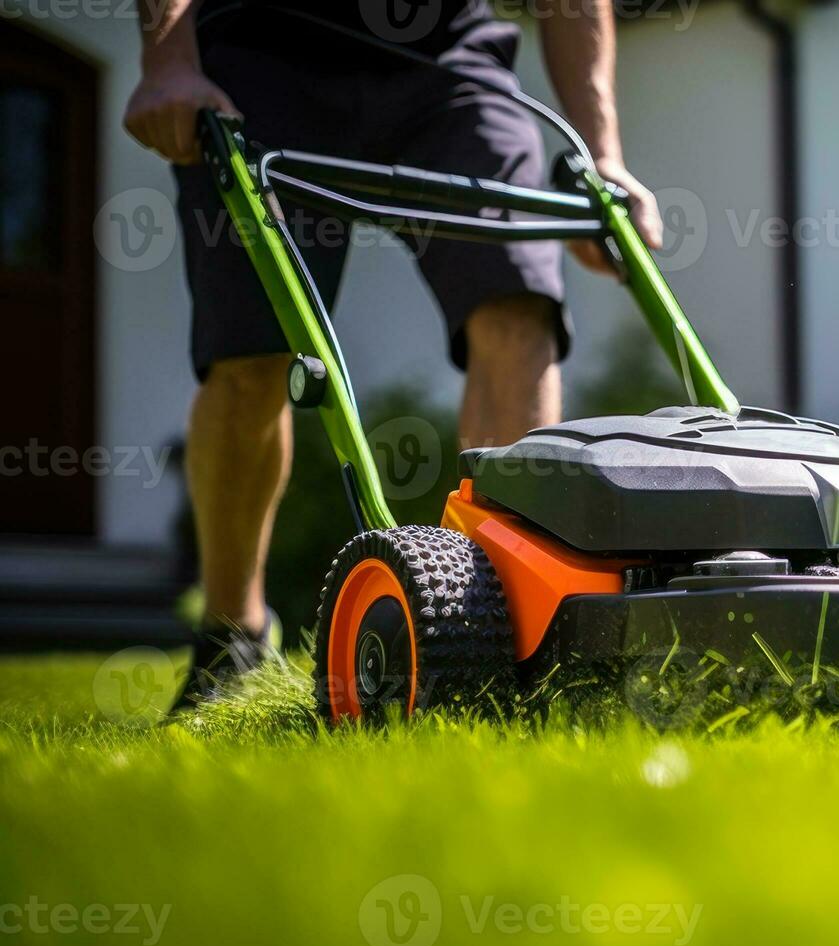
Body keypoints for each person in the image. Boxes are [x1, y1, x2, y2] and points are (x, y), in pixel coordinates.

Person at [123, 0, 662, 711]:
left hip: (445, 63)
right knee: (253, 353)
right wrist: (169, 61)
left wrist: (601, 155)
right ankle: (233, 635)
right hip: (260, 55)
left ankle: (506, 630)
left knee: (517, 307)